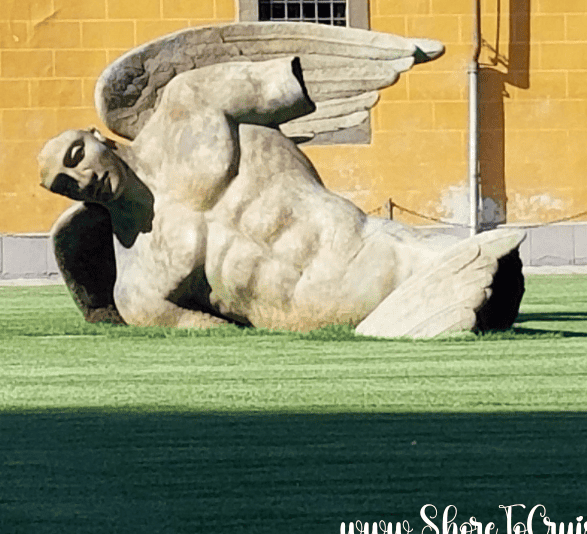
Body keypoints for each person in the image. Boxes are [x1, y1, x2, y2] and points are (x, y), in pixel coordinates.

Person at [38, 57, 524, 336]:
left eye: (76, 155)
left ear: (94, 136)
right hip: (332, 314)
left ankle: (451, 279)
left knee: (433, 260)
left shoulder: (190, 105)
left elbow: (295, 81)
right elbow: (218, 341)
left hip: (377, 250)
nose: (80, 179)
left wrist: (370, 61)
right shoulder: (137, 288)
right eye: (65, 185)